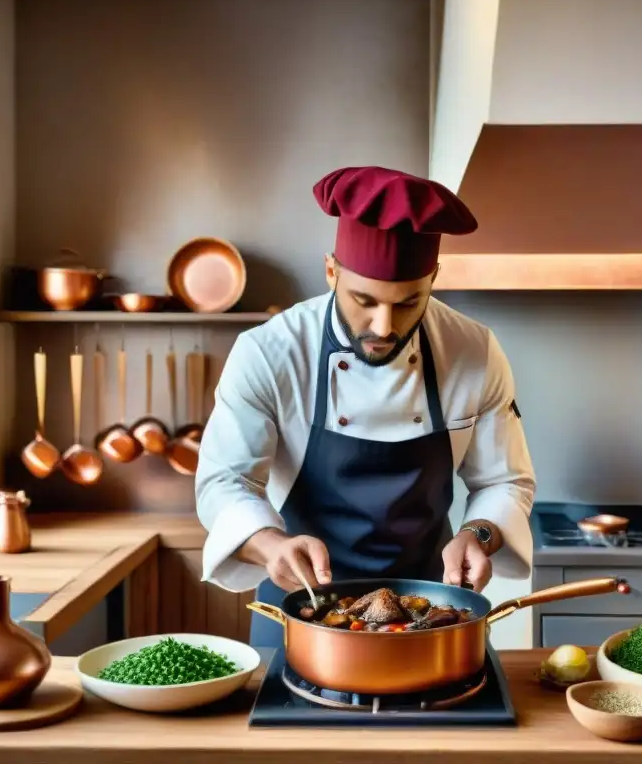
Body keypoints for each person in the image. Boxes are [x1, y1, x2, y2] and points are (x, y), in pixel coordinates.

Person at [194, 165, 536, 648]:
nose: (383, 326)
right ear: (331, 270)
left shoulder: (473, 351)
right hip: (302, 603)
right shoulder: (269, 352)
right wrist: (270, 545)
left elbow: (503, 479)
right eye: (363, 300)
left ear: (433, 278)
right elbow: (224, 481)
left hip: (429, 610)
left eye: (408, 303)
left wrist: (478, 536)